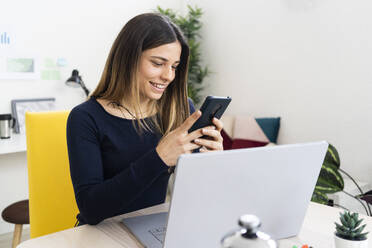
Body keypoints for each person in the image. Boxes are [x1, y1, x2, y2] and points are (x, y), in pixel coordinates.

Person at [66, 13, 224, 226]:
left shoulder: (180, 109)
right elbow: (91, 209)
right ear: (128, 59)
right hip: (101, 232)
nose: (168, 76)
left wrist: (212, 161)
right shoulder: (85, 118)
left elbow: (195, 191)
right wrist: (159, 157)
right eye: (158, 63)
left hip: (151, 226)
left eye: (174, 66)